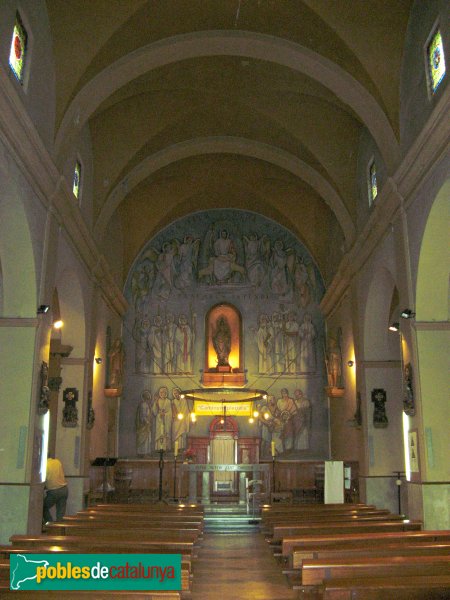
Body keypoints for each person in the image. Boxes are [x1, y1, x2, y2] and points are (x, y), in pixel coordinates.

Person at [43, 455, 68, 523]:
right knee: (60, 513)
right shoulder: (57, 462)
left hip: (53, 491)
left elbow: (44, 479)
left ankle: (50, 525)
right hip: (64, 489)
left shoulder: (44, 465)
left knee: (42, 507)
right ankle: (58, 529)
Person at [152, 386, 172, 451]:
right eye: (160, 392)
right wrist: (159, 414)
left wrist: (165, 414)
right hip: (159, 420)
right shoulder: (157, 401)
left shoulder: (168, 401)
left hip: (166, 421)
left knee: (166, 434)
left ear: (166, 393)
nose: (161, 393)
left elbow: (170, 412)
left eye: (163, 392)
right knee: (159, 433)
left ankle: (166, 448)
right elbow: (154, 412)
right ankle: (158, 448)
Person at [135, 390, 152, 456]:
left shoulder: (146, 405)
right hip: (143, 425)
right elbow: (143, 415)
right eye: (147, 398)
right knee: (143, 439)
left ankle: (145, 452)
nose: (148, 399)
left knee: (146, 439)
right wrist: (147, 422)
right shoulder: (143, 405)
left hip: (146, 424)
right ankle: (142, 453)